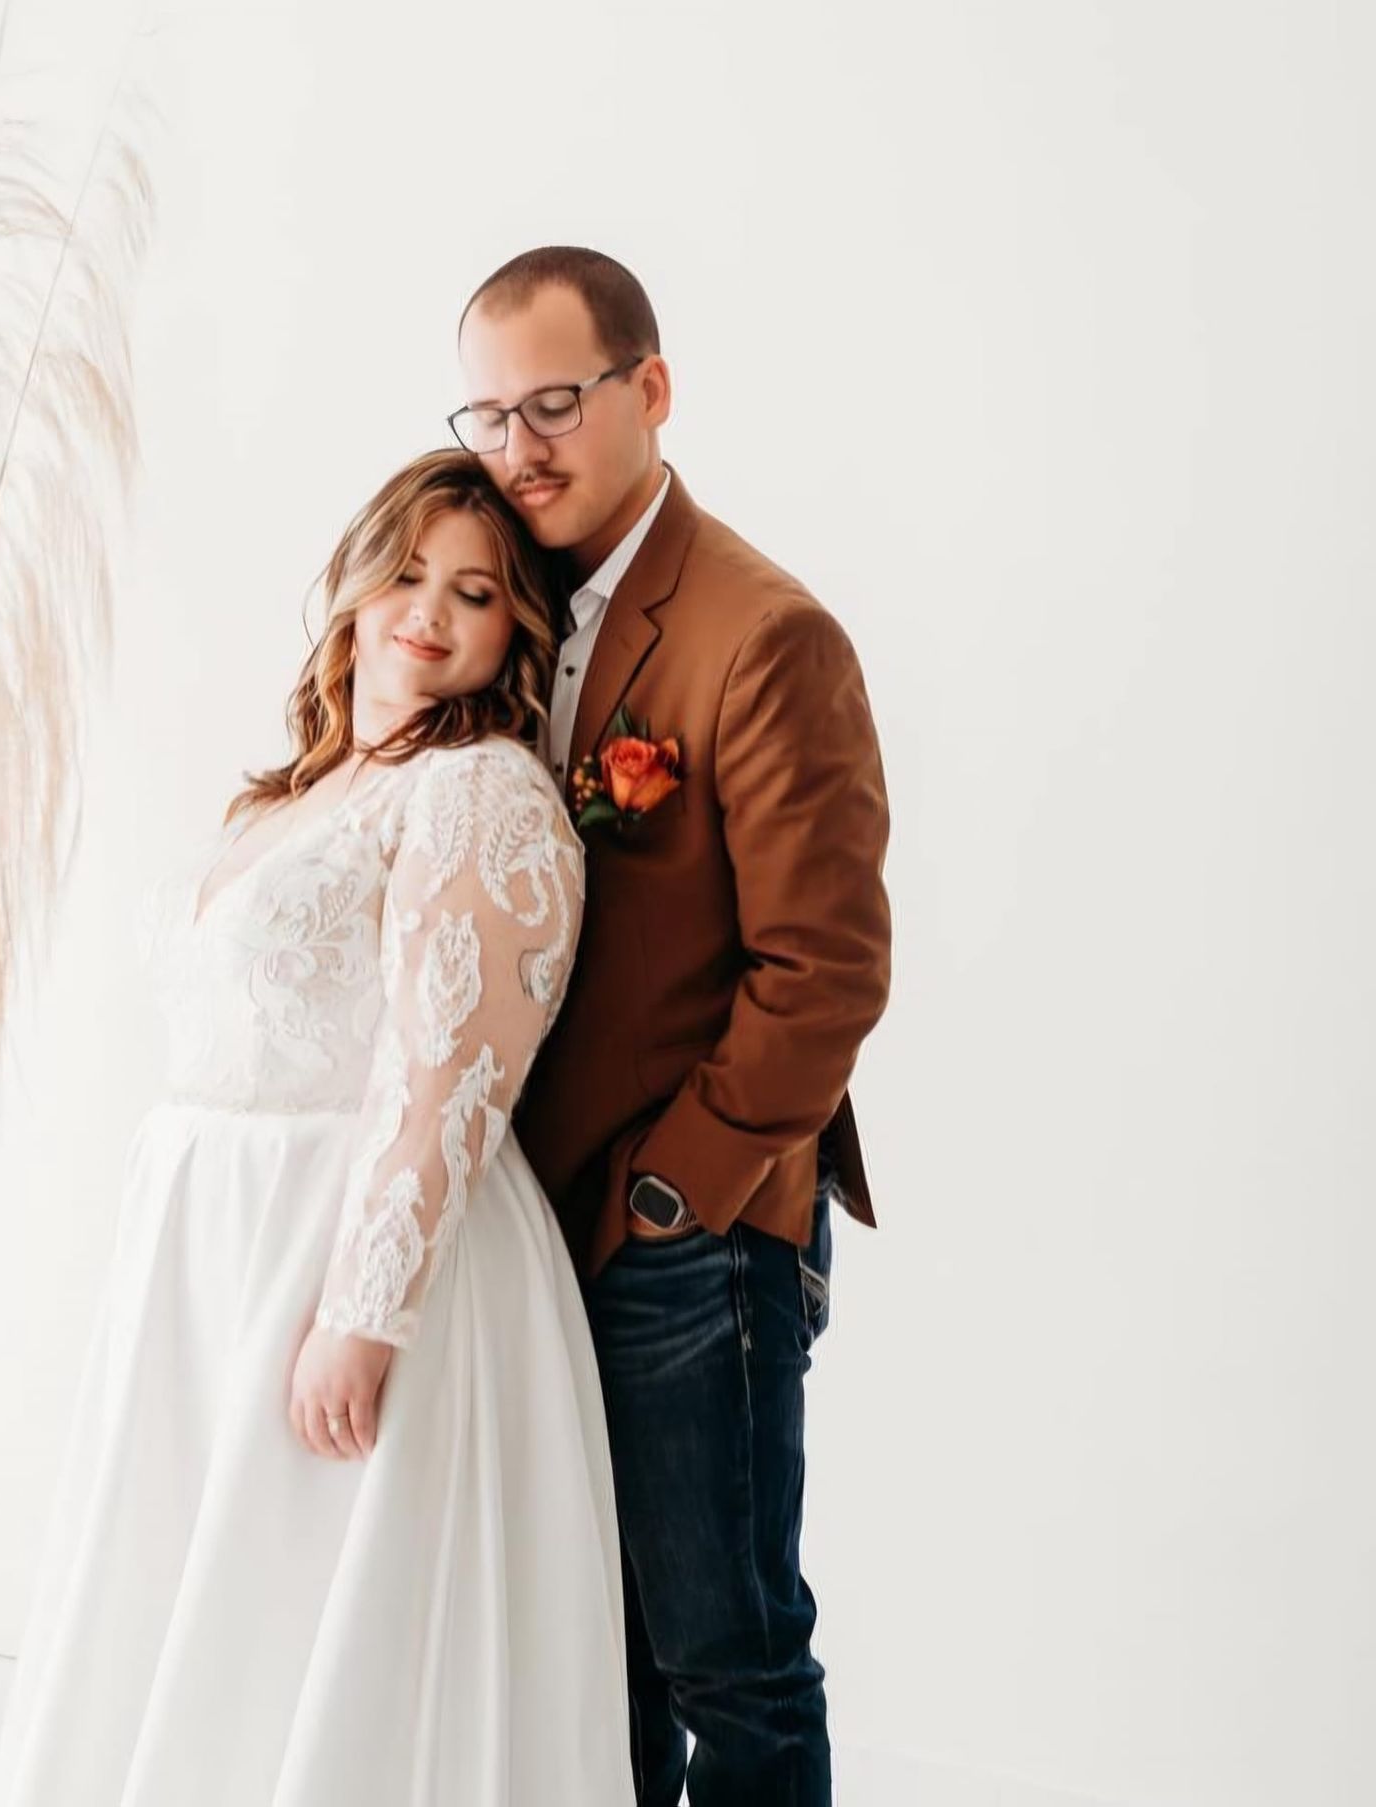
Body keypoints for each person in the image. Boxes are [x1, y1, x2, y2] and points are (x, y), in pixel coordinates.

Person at [0, 449, 635, 1806]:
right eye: (406, 572)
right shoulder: (288, 797)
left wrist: (368, 1311)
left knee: (314, 1610)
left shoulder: (476, 790)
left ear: (517, 627)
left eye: (475, 591)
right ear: (352, 580)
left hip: (345, 1244)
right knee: (190, 1602)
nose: (428, 612)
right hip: (210, 1245)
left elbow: (450, 1066)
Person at [454, 246, 893, 1807]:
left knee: (732, 1660)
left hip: (689, 1239)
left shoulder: (764, 634)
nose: (523, 449)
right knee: (596, 1652)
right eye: (493, 414)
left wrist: (669, 1198)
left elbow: (824, 974)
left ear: (651, 391)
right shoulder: (498, 605)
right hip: (531, 1238)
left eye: (557, 404)